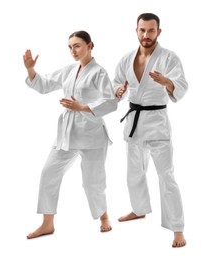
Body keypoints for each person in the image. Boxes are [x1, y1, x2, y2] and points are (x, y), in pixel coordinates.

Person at [23, 30, 117, 239]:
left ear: (90, 46)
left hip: (91, 133)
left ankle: (103, 217)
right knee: (49, 173)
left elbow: (111, 102)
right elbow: (44, 84)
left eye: (77, 46)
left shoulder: (99, 72)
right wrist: (31, 70)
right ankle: (47, 223)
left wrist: (82, 107)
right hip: (67, 133)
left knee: (92, 182)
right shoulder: (68, 70)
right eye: (70, 47)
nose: (73, 51)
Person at [113, 13, 188, 247]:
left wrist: (167, 82)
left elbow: (182, 85)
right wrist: (118, 91)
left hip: (157, 123)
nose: (146, 35)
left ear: (159, 32)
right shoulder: (126, 59)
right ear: (136, 31)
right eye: (142, 30)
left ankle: (178, 229)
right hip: (134, 122)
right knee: (134, 173)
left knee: (166, 176)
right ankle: (139, 209)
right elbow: (116, 83)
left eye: (151, 30)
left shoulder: (169, 58)